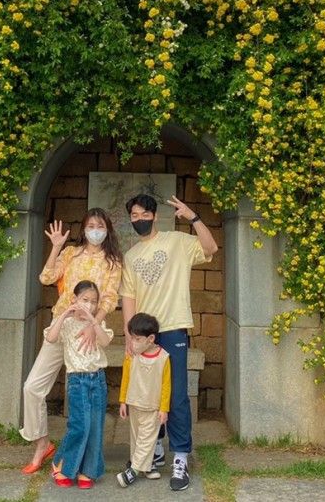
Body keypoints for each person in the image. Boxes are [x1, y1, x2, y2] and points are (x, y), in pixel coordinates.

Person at [119, 193, 218, 491]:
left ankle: (181, 457)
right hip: (145, 333)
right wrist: (129, 335)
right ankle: (153, 450)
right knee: (147, 397)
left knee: (175, 398)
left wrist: (193, 217)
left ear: (154, 216)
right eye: (134, 216)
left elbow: (210, 247)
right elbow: (129, 297)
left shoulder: (177, 241)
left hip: (173, 329)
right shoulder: (131, 255)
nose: (139, 220)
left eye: (143, 215)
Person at [20, 208, 122, 474]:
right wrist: (56, 247)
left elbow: (110, 299)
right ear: (84, 228)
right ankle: (43, 444)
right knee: (32, 388)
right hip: (61, 326)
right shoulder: (70, 254)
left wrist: (93, 324)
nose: (95, 230)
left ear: (107, 229)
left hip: (87, 332)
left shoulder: (112, 262)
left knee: (85, 397)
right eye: (90, 225)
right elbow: (46, 278)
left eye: (100, 225)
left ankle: (83, 458)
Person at [46, 280, 113, 489]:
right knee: (80, 426)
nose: (90, 305)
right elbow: (51, 337)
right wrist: (65, 314)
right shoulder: (65, 324)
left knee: (95, 427)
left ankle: (88, 471)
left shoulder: (97, 324)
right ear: (75, 299)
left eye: (94, 302)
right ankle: (61, 465)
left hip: (98, 379)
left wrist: (93, 321)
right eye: (85, 300)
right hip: (77, 381)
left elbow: (105, 341)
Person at [116, 312, 170, 488]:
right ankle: (146, 466)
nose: (133, 343)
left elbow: (165, 386)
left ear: (151, 339)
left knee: (147, 438)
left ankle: (132, 472)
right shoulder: (132, 356)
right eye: (132, 338)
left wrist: (164, 408)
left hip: (152, 407)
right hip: (134, 403)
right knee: (137, 437)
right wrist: (123, 401)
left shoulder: (163, 358)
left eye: (137, 339)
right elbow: (125, 378)